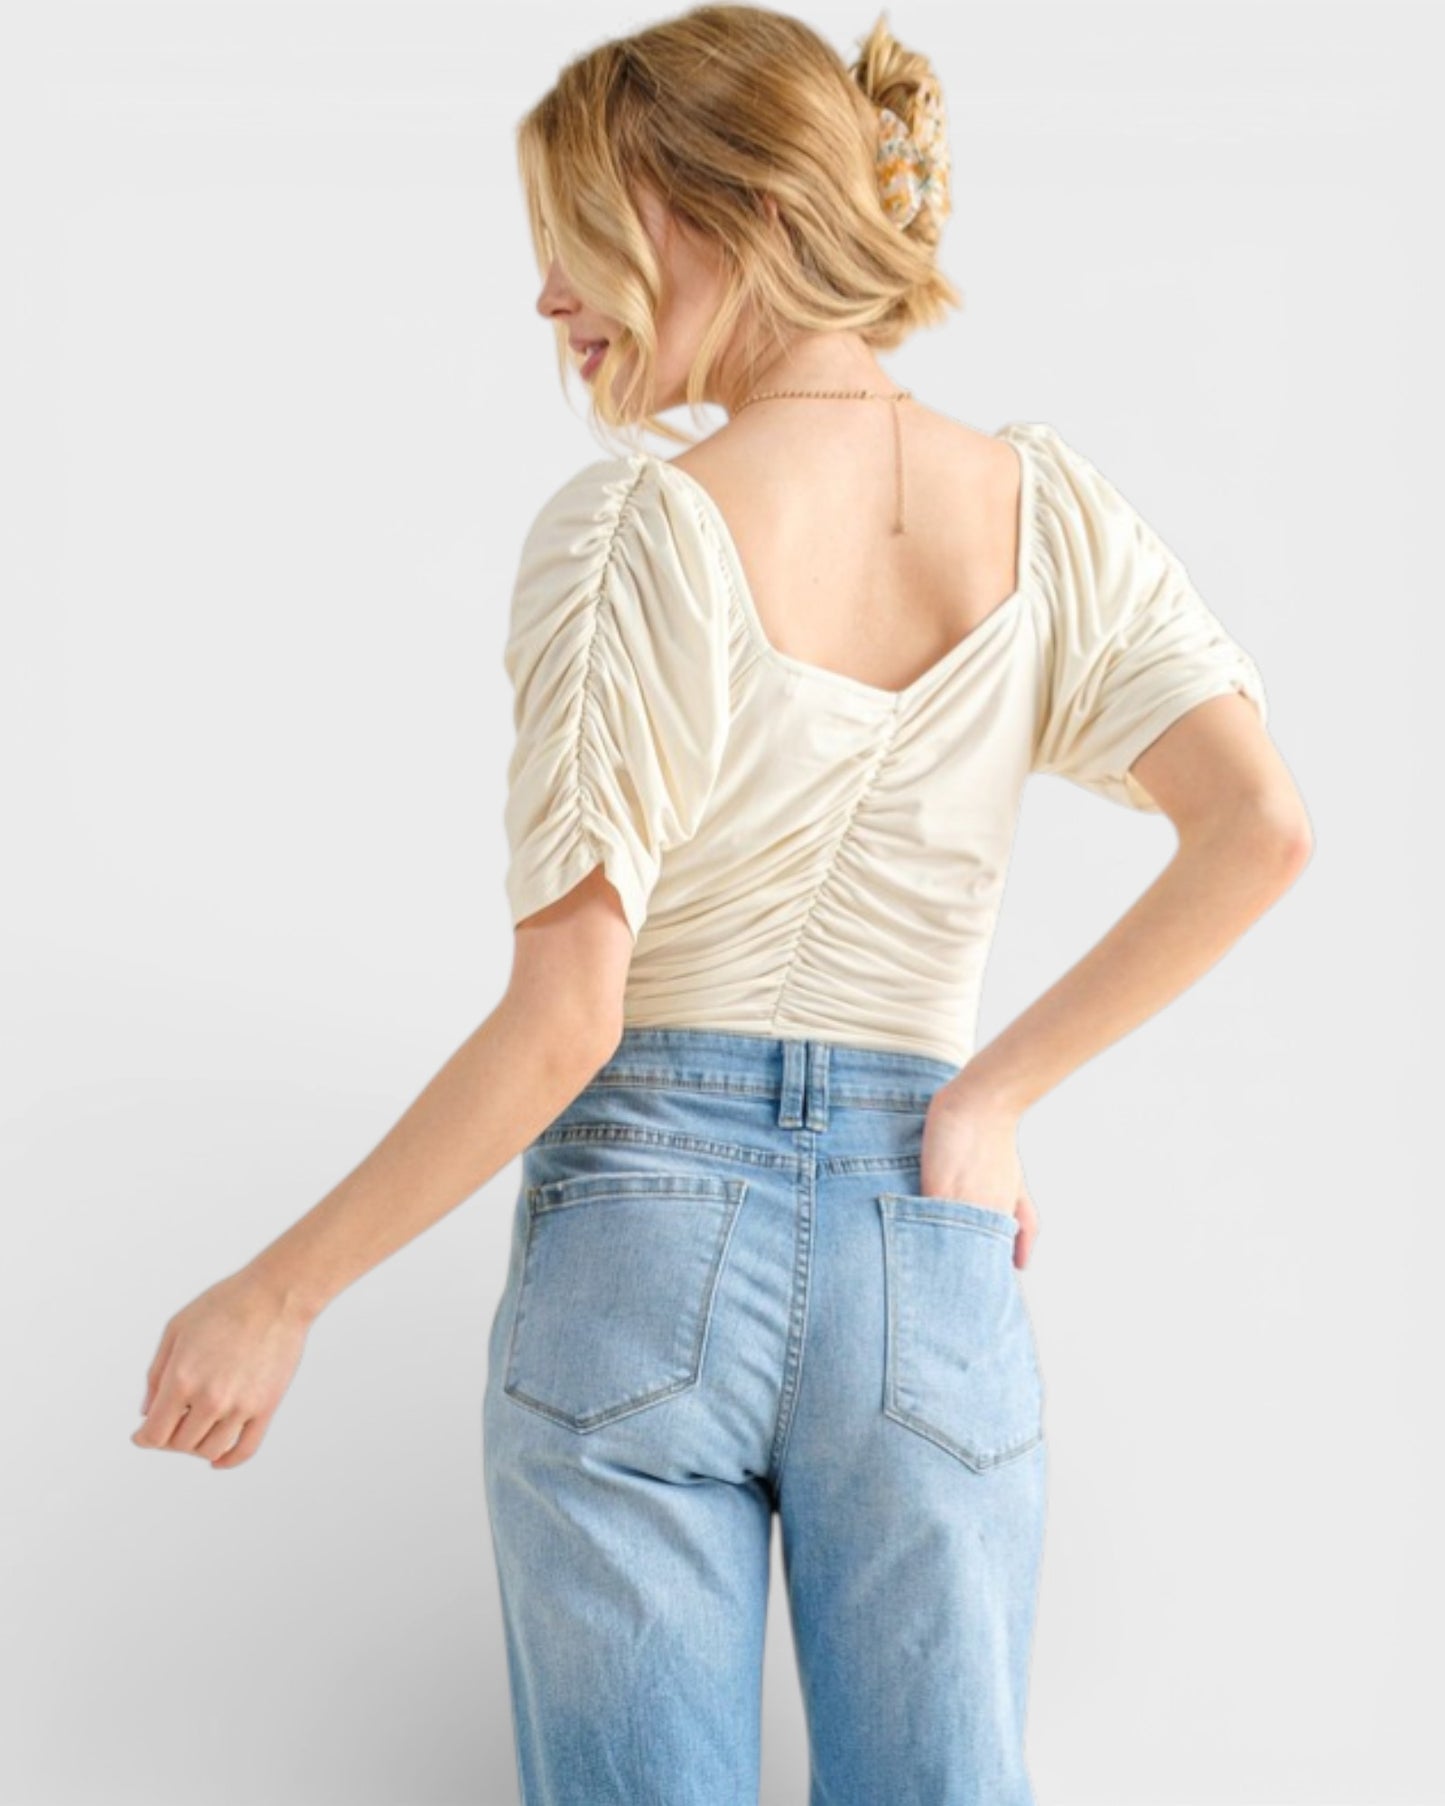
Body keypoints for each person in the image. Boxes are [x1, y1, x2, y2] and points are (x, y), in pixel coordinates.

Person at [131, 6, 1313, 1801]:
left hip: (645, 1228)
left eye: (573, 234)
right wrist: (984, 1098)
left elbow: (568, 1017)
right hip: (928, 1244)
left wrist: (279, 1293)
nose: (544, 299)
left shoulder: (636, 533)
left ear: (716, 211)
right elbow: (1258, 826)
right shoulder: (1045, 516)